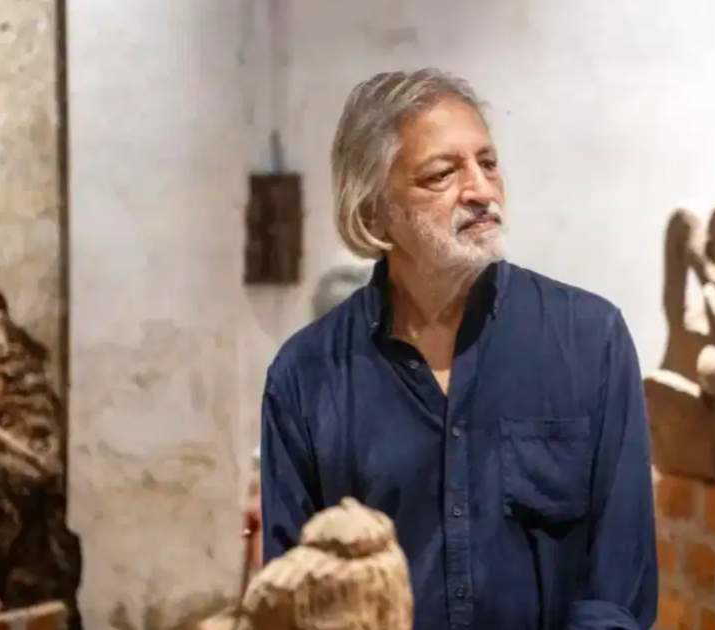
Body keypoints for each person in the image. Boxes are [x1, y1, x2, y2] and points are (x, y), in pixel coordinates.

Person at [259, 68, 657, 630]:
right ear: (373, 210)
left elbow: (617, 586)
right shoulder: (305, 377)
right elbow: (295, 599)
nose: (481, 190)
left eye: (488, 163)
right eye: (442, 173)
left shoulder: (592, 341)